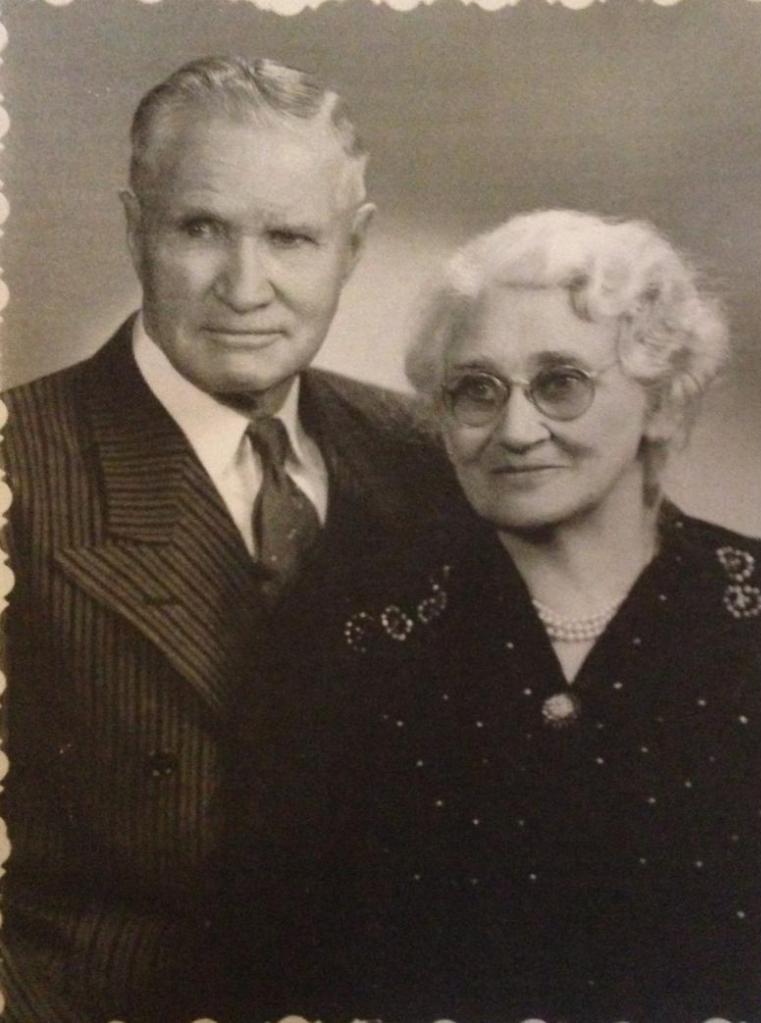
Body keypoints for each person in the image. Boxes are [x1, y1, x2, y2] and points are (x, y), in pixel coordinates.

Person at [0, 56, 466, 1023]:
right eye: (200, 228)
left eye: (290, 237)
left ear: (353, 245)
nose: (245, 287)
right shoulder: (18, 466)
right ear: (136, 229)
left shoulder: (425, 456)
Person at [231, 210, 761, 1021]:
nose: (516, 431)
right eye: (476, 391)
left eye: (560, 382)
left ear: (661, 402)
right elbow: (272, 949)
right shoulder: (354, 623)